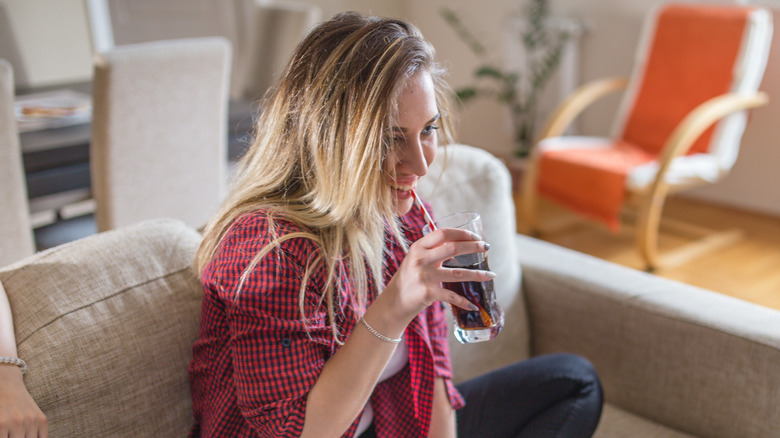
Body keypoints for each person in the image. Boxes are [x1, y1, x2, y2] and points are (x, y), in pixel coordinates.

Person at [189, 11, 603, 438]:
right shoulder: (269, 251)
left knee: (574, 383)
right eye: (390, 138)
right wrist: (393, 309)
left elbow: (434, 368)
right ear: (329, 138)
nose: (420, 164)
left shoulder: (402, 215)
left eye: (428, 129)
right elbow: (298, 432)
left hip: (390, 426)